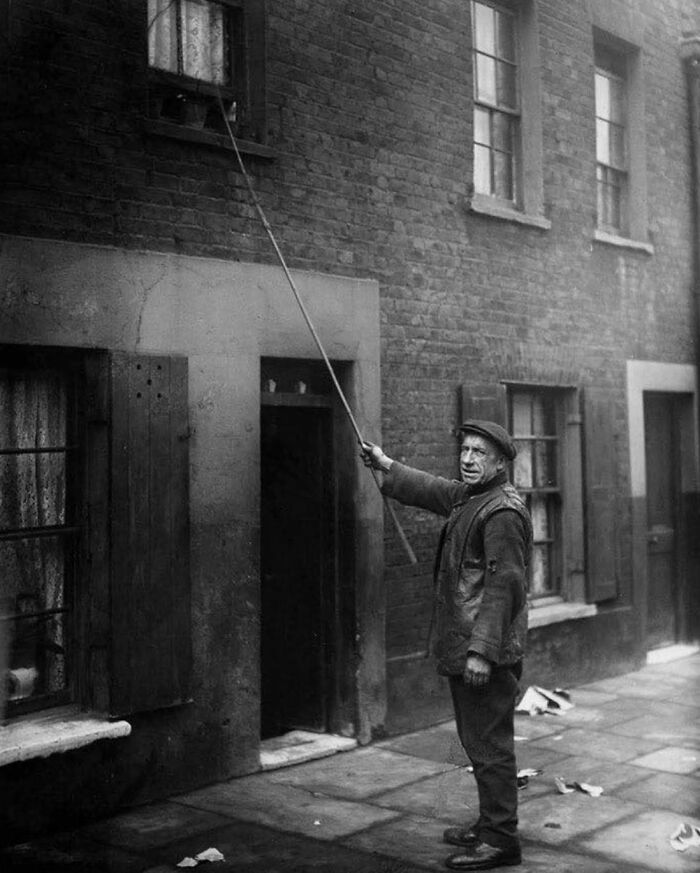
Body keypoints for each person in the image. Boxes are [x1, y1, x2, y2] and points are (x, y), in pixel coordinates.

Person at [362, 420, 532, 871]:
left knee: (490, 745)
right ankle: (491, 822)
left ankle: (500, 840)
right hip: (471, 646)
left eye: (480, 453)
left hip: (485, 652)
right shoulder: (472, 497)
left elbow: (505, 586)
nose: (468, 458)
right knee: (477, 741)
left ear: (500, 463)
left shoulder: (501, 513)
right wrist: (386, 465)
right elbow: (435, 489)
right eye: (466, 450)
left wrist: (481, 651)